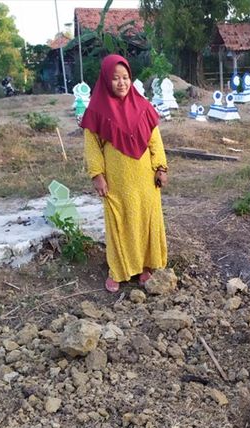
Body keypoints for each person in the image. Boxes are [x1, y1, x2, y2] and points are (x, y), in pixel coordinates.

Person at [81, 55, 169, 293]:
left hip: (145, 180)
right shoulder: (97, 110)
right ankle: (118, 271)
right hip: (117, 182)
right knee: (120, 222)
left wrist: (160, 167)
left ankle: (143, 267)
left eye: (126, 77)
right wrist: (97, 175)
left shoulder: (143, 107)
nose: (122, 83)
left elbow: (155, 140)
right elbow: (92, 147)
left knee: (144, 219)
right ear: (106, 80)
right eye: (116, 78)